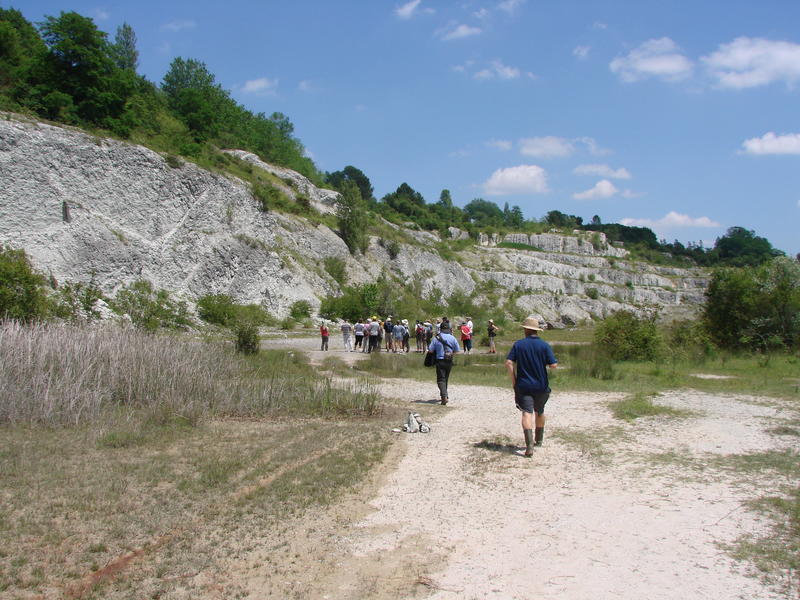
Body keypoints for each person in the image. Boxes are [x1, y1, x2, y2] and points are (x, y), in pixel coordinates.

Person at [505, 317, 557, 457]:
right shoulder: (544, 345)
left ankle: (529, 446)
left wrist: (514, 381)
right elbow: (553, 365)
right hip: (541, 385)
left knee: (526, 413)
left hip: (524, 385)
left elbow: (509, 363)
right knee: (539, 411)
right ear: (536, 331)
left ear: (526, 330)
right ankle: (538, 440)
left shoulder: (519, 345)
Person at [427, 323, 461, 405]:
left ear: (440, 329)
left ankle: (444, 396)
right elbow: (457, 350)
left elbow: (430, 350)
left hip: (440, 360)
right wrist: (450, 354)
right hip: (449, 361)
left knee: (440, 379)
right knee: (445, 378)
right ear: (449, 329)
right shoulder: (452, 338)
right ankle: (445, 395)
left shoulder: (436, 338)